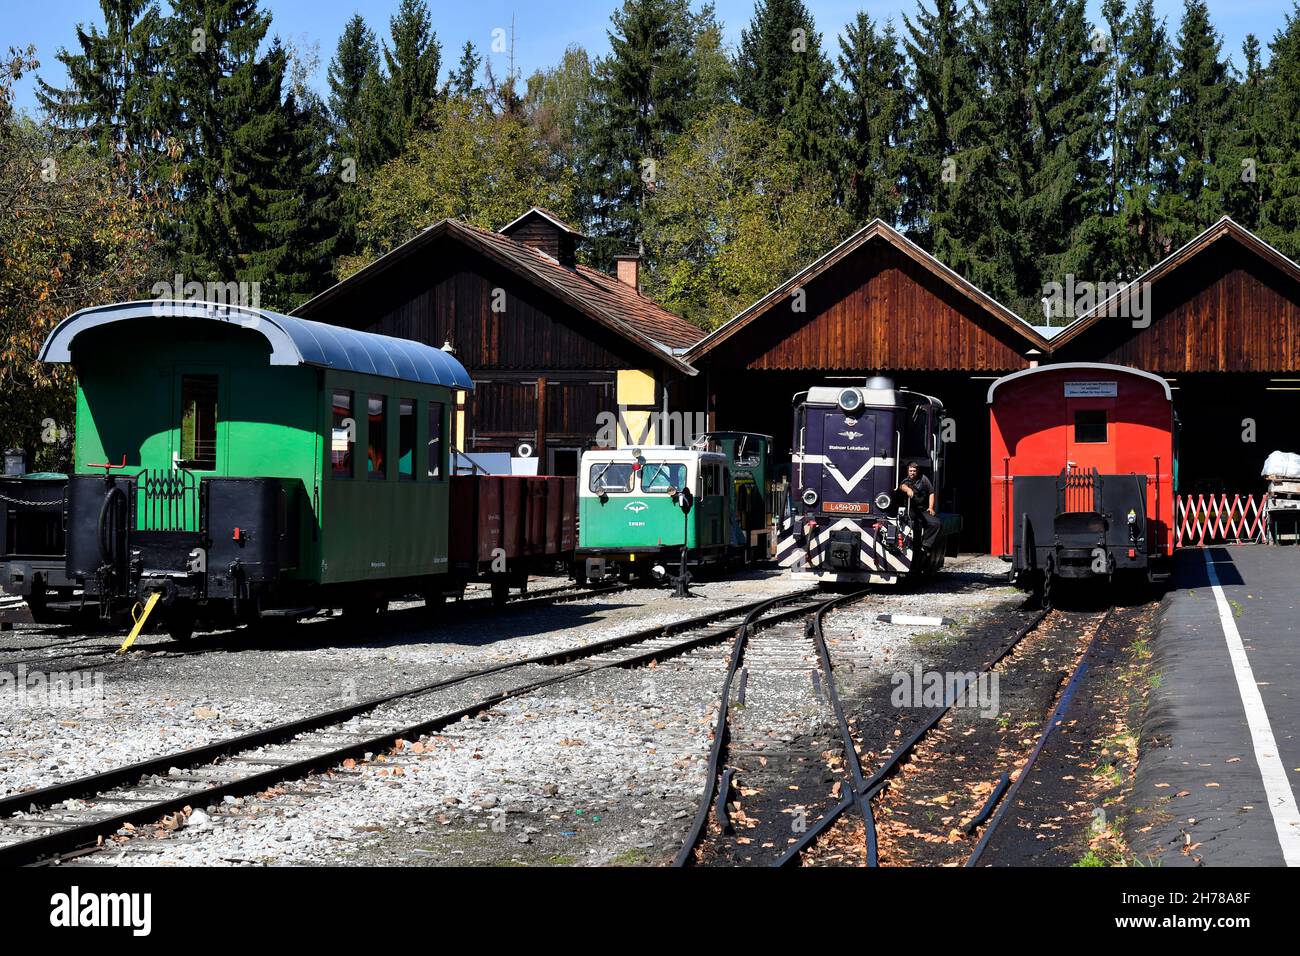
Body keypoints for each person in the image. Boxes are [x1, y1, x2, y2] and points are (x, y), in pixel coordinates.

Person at [898, 460, 941, 550]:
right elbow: (902, 486)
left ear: (917, 471)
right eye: (911, 471)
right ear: (907, 471)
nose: (912, 473)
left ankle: (926, 545)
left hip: (922, 509)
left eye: (914, 471)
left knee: (936, 523)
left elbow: (931, 492)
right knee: (911, 525)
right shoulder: (905, 479)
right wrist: (908, 490)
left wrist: (930, 507)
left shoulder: (923, 479)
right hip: (910, 510)